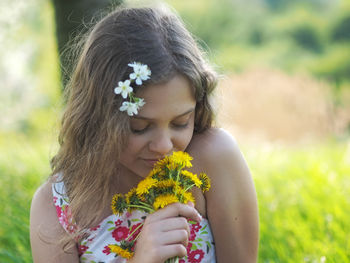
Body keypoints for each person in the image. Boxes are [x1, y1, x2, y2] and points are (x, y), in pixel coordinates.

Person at [30, 4, 259, 263]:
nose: (163, 146)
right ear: (99, 117)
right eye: (139, 127)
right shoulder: (57, 206)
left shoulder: (213, 159)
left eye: (180, 122)